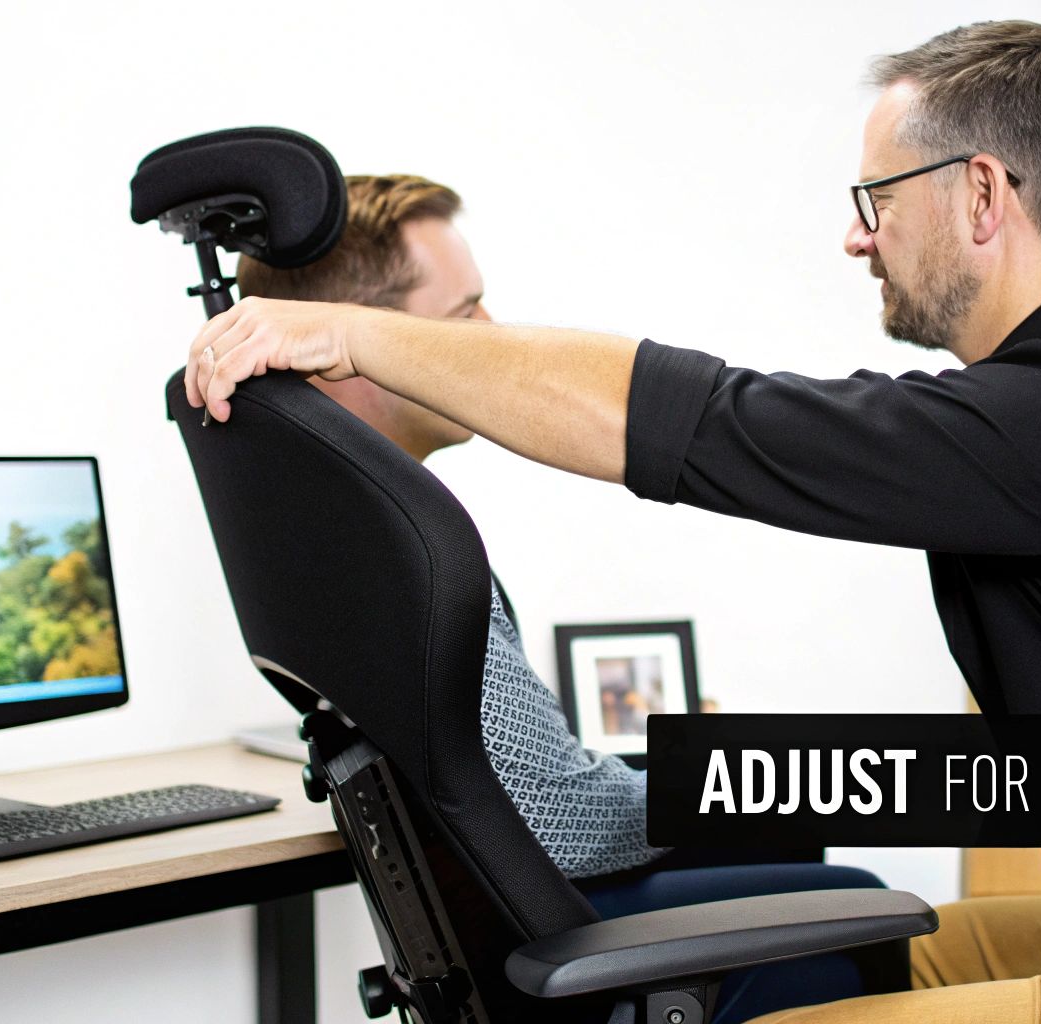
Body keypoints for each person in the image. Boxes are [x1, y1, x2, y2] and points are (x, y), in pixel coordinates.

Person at [183, 21, 1041, 1023]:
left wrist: (354, 334)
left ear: (977, 195)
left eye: (876, 198)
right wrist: (747, 776)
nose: (859, 238)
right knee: (825, 943)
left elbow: (712, 424)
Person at [232, 173, 887, 1024]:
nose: (492, 336)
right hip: (557, 945)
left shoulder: (327, 524)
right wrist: (713, 779)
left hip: (517, 928)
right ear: (348, 341)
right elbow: (563, 822)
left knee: (787, 810)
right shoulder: (409, 549)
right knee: (859, 903)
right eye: (466, 313)